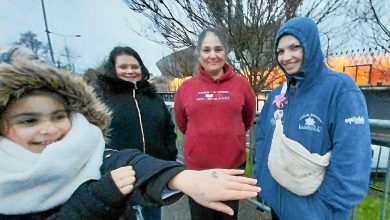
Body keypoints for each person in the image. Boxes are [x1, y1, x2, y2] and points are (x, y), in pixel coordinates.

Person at [0, 57, 261, 219]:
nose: (48, 129)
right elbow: (184, 119)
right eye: (29, 121)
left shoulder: (89, 151)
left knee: (152, 213)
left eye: (58, 116)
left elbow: (135, 156)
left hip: (153, 173)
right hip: (119, 190)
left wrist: (179, 174)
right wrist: (99, 197)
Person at [254, 16, 371, 220]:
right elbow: (263, 138)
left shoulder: (340, 89)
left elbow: (353, 156)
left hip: (315, 213)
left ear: (311, 46)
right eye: (280, 51)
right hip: (278, 209)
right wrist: (263, 181)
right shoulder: (276, 95)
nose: (286, 57)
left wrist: (325, 205)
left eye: (294, 47)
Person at [174, 28, 257, 220]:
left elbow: (247, 118)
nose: (213, 55)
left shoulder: (242, 85)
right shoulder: (186, 88)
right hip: (197, 171)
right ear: (198, 53)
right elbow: (182, 123)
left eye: (218, 49)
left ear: (226, 52)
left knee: (228, 216)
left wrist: (229, 137)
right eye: (206, 50)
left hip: (231, 169)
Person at [92, 46, 178, 220]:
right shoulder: (101, 98)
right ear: (113, 69)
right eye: (123, 67)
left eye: (134, 66)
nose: (130, 71)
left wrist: (169, 157)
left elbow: (168, 129)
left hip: (153, 176)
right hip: (119, 179)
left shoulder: (153, 98)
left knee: (153, 216)